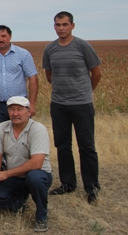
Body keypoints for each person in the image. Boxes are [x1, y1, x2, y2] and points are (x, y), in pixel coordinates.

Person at [43, 11, 102, 204]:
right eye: (58, 25)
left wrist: (85, 92)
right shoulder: (50, 49)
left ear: (72, 26)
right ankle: (68, 183)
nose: (61, 28)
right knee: (62, 145)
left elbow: (96, 73)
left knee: (86, 146)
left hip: (82, 104)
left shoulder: (82, 46)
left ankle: (91, 187)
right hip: (59, 104)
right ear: (54, 26)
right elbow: (49, 76)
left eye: (64, 25)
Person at [0, 96, 52, 232]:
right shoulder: (1, 128)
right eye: (11, 109)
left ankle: (41, 216)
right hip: (15, 178)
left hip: (38, 175)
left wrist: (6, 173)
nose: (15, 113)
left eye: (20, 109)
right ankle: (21, 200)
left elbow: (36, 163)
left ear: (29, 112)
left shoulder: (38, 129)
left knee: (35, 178)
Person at [0, 25, 38, 128]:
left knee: (21, 134)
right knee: (1, 135)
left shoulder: (23, 54)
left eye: (3, 36)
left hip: (19, 104)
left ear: (10, 36)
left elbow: (33, 78)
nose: (0, 39)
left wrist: (32, 104)